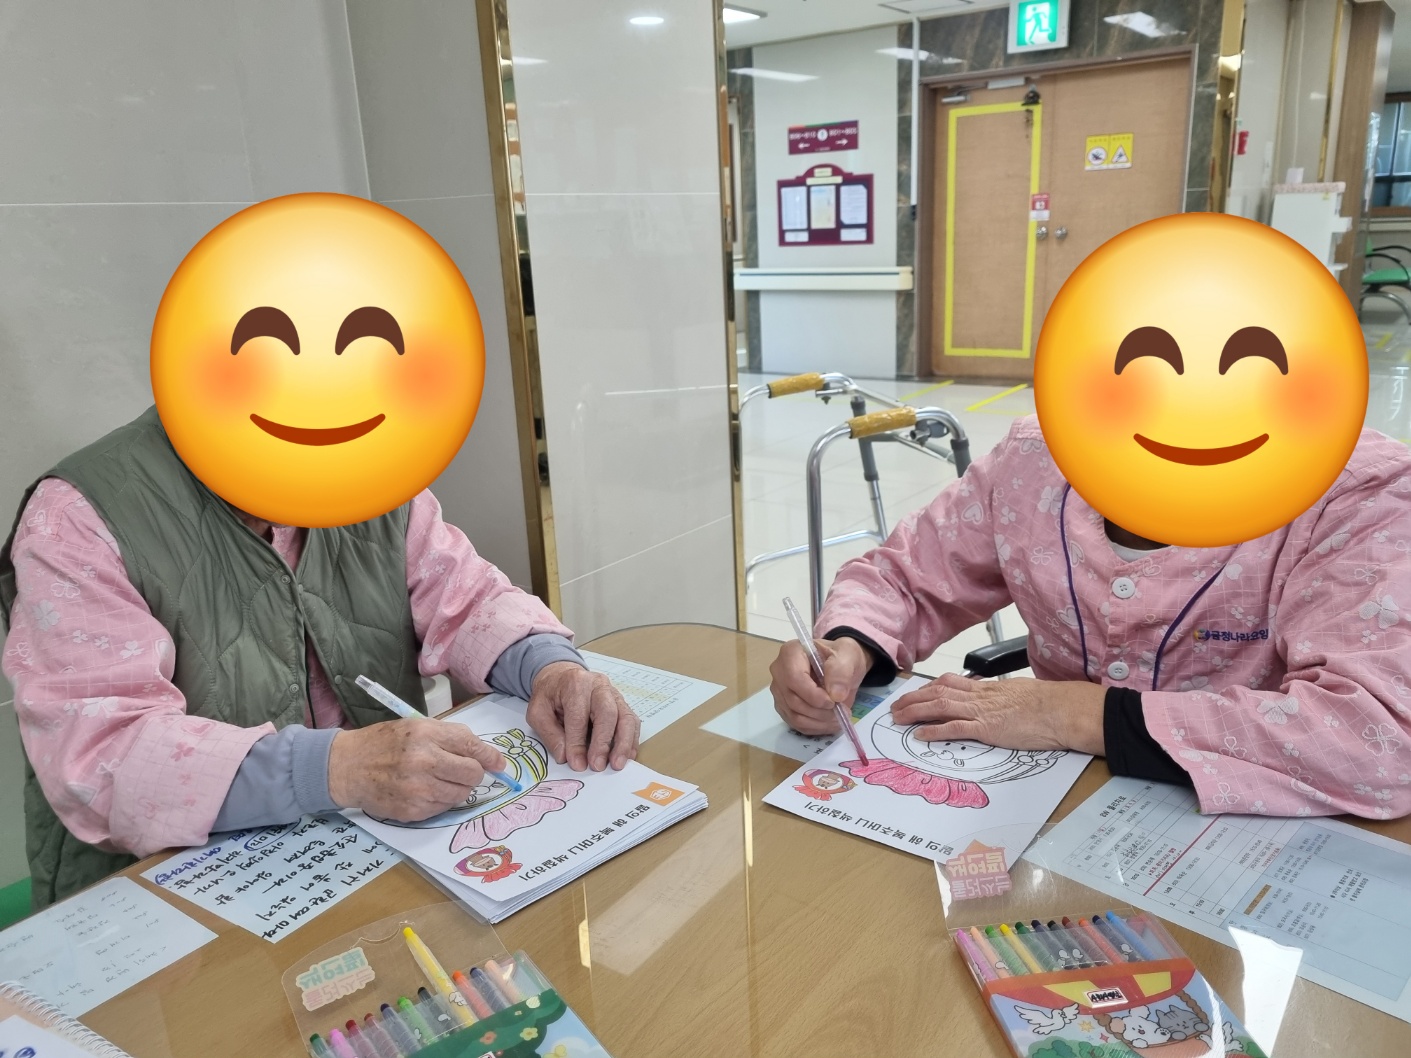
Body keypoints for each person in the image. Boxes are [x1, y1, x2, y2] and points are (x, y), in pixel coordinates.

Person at [0, 408, 640, 907]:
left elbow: (467, 596)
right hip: (171, 899)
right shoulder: (77, 518)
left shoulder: (365, 456)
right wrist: (338, 767)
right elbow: (104, 756)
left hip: (377, 861)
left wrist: (547, 666)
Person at [770, 415, 1411, 819]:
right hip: (1046, 809)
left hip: (1242, 831)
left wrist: (1075, 713)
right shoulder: (1036, 458)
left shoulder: (1357, 492)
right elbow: (907, 576)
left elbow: (1379, 738)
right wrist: (849, 642)